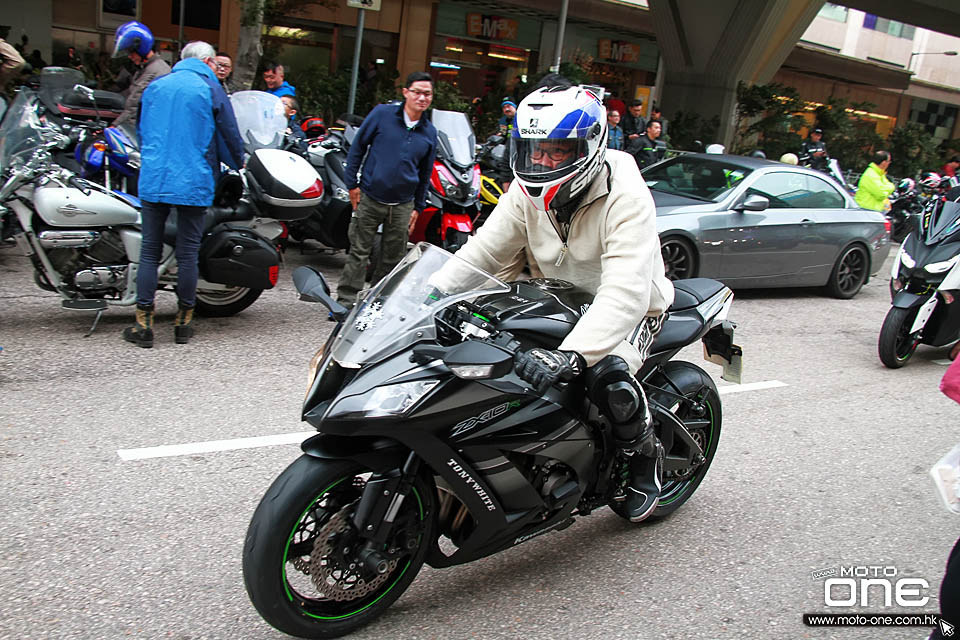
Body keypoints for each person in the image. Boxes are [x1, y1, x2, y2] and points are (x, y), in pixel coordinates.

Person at [449, 78, 675, 522]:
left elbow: (625, 291)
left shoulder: (626, 193)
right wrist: (426, 297)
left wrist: (572, 356)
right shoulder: (524, 191)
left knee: (606, 375)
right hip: (557, 297)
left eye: (557, 151)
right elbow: (482, 253)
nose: (543, 161)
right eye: (535, 150)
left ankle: (645, 456)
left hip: (631, 306)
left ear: (588, 146)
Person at [123, 41, 244, 348]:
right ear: (205, 60)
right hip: (193, 179)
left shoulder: (156, 86)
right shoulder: (210, 87)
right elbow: (228, 131)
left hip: (154, 177)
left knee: (149, 250)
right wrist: (238, 162)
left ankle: (143, 325)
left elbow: (141, 129)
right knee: (188, 252)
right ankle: (183, 324)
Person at [336, 71, 438, 310]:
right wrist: (352, 184)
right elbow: (358, 148)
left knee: (393, 259)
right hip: (370, 196)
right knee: (359, 252)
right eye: (417, 92)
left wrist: (418, 207)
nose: (422, 98)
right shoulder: (382, 115)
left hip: (403, 204)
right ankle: (345, 302)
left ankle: (377, 304)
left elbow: (425, 174)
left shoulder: (429, 132)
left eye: (427, 94)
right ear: (405, 93)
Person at [110, 21, 171, 127]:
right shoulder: (146, 69)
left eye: (130, 51)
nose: (129, 56)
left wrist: (114, 127)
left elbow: (134, 109)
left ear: (140, 48)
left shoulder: (154, 72)